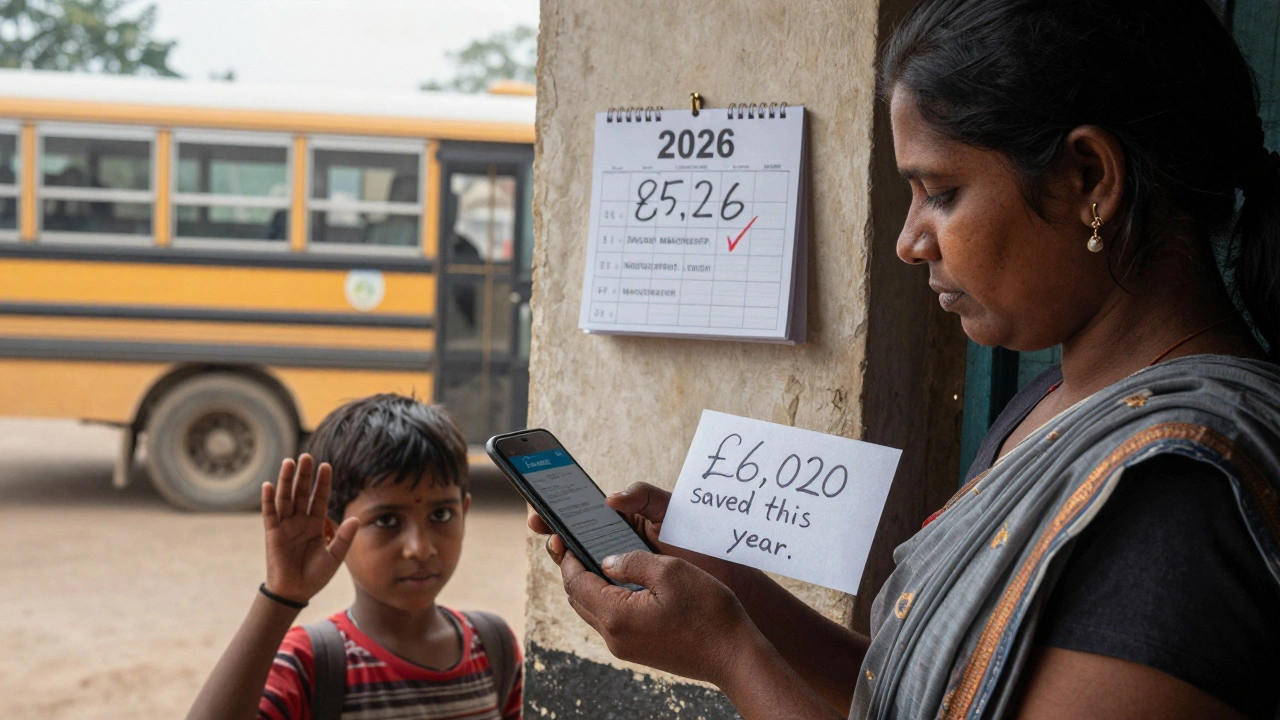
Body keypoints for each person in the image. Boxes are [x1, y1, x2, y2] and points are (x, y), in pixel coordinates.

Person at [529, 1, 1280, 718]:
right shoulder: (1053, 405)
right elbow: (934, 699)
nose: (910, 240)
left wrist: (729, 654)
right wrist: (731, 595)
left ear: (1088, 178)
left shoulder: (1177, 490)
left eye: (942, 193)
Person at [187, 395, 522, 720]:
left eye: (441, 515)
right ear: (331, 532)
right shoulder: (310, 664)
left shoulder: (494, 648)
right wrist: (281, 597)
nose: (420, 548)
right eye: (387, 520)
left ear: (464, 512)